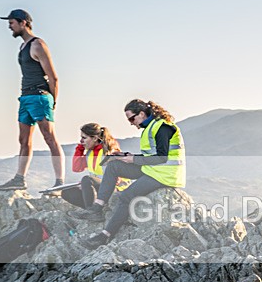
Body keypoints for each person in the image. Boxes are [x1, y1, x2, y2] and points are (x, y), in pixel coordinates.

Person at [71, 100, 186, 249]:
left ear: (142, 114)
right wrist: (128, 156)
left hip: (165, 175)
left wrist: (133, 159)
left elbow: (162, 157)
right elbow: (151, 155)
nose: (131, 123)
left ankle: (105, 235)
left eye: (132, 118)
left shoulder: (163, 128)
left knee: (126, 196)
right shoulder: (150, 128)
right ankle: (97, 207)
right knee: (113, 166)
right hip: (152, 169)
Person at [0, 9, 65, 192]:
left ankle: (60, 181)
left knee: (49, 138)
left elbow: (53, 77)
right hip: (25, 97)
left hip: (39, 96)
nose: (9, 26)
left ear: (23, 22)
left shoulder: (38, 45)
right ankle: (20, 179)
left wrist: (52, 102)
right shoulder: (22, 46)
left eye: (12, 22)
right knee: (23, 140)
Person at [60, 123, 128, 209]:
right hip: (101, 188)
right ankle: (92, 208)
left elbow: (114, 181)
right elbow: (76, 168)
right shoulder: (90, 153)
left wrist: (89, 182)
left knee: (87, 180)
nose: (81, 141)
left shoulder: (109, 151)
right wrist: (80, 149)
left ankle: (92, 212)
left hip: (116, 190)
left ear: (95, 138)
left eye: (84, 138)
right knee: (67, 192)